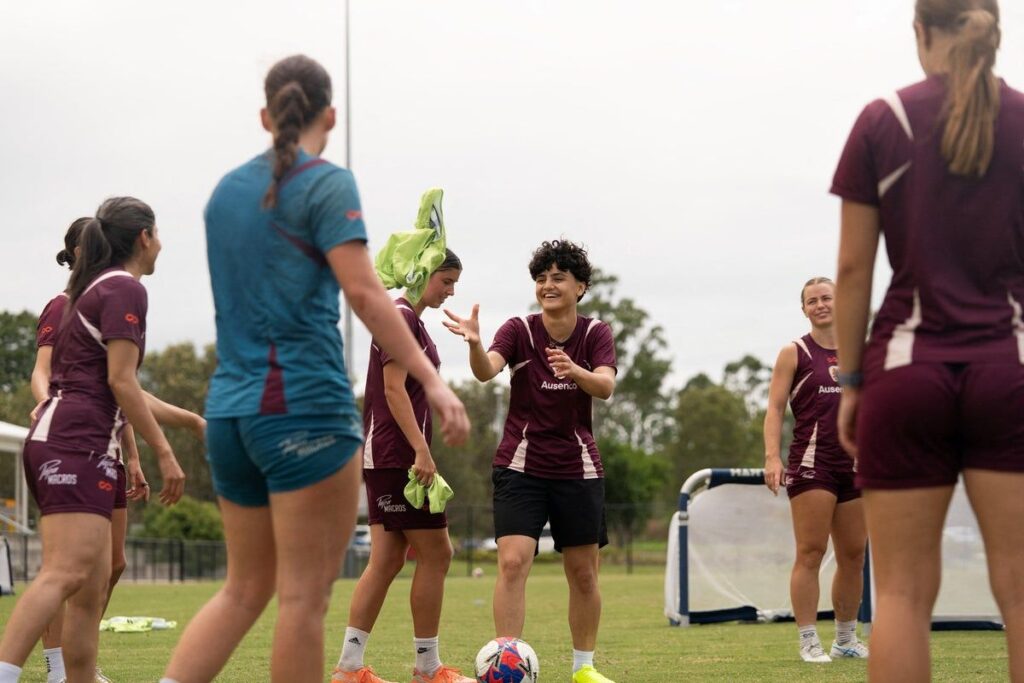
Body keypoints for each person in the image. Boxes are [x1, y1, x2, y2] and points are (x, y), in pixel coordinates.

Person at [161, 54, 469, 683]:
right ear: (331, 114)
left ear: (264, 115)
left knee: (243, 592)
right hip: (304, 409)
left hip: (229, 414)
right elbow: (363, 294)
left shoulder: (224, 193)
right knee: (301, 599)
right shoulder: (327, 183)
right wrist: (431, 379)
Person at [832, 1, 1024, 680]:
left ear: (921, 32)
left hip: (906, 375)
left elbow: (852, 271)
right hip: (1010, 372)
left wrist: (851, 383)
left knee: (905, 597)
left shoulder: (884, 119)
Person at [0, 197, 187, 683]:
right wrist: (164, 452)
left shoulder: (102, 289)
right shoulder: (123, 287)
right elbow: (122, 384)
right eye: (158, 233)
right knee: (62, 574)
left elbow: (122, 387)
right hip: (72, 440)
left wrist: (194, 425)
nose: (161, 243)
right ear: (143, 237)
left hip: (89, 443)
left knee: (92, 585)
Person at [443, 240, 618, 683]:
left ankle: (583, 669)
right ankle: (507, 663)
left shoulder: (596, 332)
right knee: (513, 561)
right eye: (541, 279)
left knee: (582, 574)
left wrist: (574, 371)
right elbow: (486, 371)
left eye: (558, 277)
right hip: (520, 466)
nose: (548, 285)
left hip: (579, 469)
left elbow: (604, 386)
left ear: (581, 286)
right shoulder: (519, 329)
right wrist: (475, 344)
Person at [332, 249, 472, 683]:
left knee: (388, 560)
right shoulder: (401, 316)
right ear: (423, 272)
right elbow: (393, 390)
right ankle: (427, 669)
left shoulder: (413, 320)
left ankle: (349, 669)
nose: (450, 290)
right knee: (438, 553)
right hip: (395, 456)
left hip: (390, 455)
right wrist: (421, 451)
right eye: (446, 281)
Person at [763, 277, 868, 664]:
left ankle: (846, 639)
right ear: (804, 309)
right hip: (812, 465)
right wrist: (772, 457)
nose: (821, 305)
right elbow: (774, 409)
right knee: (810, 551)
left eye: (827, 298)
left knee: (854, 555)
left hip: (857, 466)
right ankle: (809, 639)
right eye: (812, 301)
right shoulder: (794, 352)